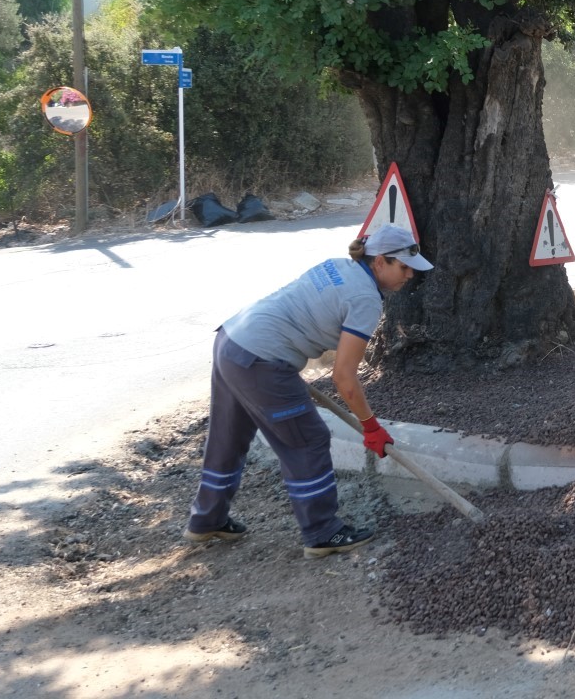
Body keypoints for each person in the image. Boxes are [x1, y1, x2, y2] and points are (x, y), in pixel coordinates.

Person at [184, 223, 433, 557]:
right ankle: (322, 532)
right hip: (261, 359)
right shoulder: (365, 298)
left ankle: (206, 519)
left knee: (228, 436)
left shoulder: (337, 266)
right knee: (308, 440)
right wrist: (370, 426)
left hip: (232, 340)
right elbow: (344, 377)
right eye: (403, 267)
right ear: (379, 262)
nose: (409, 276)